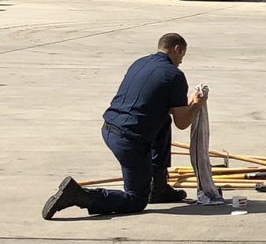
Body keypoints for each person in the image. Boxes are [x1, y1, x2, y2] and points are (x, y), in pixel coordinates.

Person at [42, 33, 209, 219]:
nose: (181, 62)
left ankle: (159, 188)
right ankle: (80, 196)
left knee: (163, 121)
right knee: (136, 200)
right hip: (129, 141)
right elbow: (183, 122)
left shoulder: (140, 63)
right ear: (177, 49)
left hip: (109, 128)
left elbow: (155, 104)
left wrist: (184, 106)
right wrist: (197, 103)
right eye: (182, 56)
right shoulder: (174, 75)